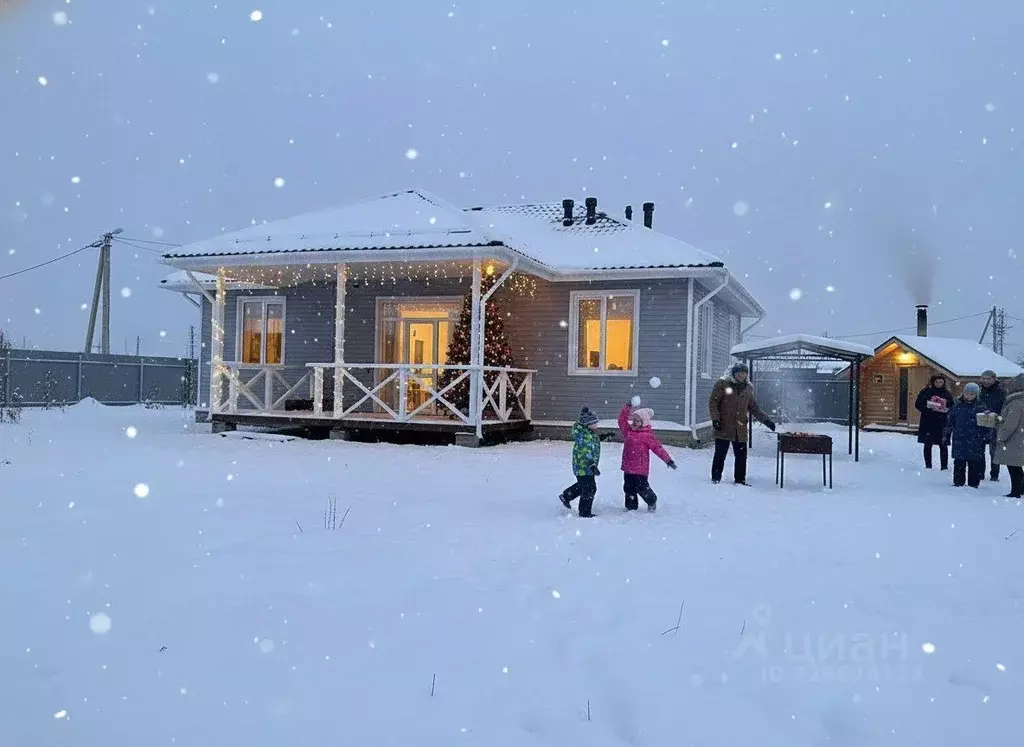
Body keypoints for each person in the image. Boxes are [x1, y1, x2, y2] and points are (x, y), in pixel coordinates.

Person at [708, 362, 776, 485]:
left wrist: (767, 421)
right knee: (720, 454)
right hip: (723, 426)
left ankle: (740, 480)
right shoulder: (722, 384)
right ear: (734, 373)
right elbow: (713, 402)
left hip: (740, 428)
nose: (741, 375)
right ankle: (716, 478)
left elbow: (754, 408)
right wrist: (716, 419)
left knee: (741, 456)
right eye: (739, 373)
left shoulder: (748, 388)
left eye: (744, 373)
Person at [617, 402, 677, 511]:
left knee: (642, 487)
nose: (634, 422)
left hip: (641, 469)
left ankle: (652, 500)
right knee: (628, 488)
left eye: (638, 421)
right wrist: (627, 407)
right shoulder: (628, 431)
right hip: (628, 467)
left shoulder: (647, 435)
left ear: (643, 422)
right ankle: (631, 508)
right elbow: (621, 420)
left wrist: (668, 460)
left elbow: (658, 448)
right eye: (634, 419)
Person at [943, 382, 988, 488]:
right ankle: (958, 482)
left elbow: (986, 424)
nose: (969, 396)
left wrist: (986, 435)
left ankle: (973, 484)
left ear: (976, 395)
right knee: (959, 461)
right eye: (967, 393)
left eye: (972, 394)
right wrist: (946, 435)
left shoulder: (981, 407)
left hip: (975, 439)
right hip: (959, 438)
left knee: (974, 463)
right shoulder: (957, 405)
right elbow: (950, 421)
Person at [559, 407, 602, 517]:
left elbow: (591, 442)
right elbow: (584, 452)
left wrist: (602, 437)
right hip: (584, 467)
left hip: (584, 467)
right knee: (590, 488)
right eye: (595, 423)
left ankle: (566, 496)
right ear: (588, 424)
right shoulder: (585, 437)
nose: (597, 425)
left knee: (584, 485)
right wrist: (592, 465)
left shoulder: (587, 433)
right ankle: (584, 512)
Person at [993, 373, 1024, 499]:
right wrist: (998, 418)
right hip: (1020, 438)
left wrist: (1001, 435)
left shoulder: (1016, 403)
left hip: (1014, 439)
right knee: (1016, 466)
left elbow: (1010, 424)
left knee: (1013, 466)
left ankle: (1016, 491)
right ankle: (1020, 489)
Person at [915, 373, 954, 470]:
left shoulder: (947, 393)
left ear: (944, 382)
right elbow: (918, 404)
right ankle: (928, 466)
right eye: (937, 382)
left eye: (941, 382)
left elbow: (951, 405)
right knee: (927, 444)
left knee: (943, 444)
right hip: (928, 421)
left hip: (942, 422)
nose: (939, 384)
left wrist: (944, 407)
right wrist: (928, 408)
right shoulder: (926, 391)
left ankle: (944, 467)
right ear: (933, 382)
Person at [978, 369, 1006, 481]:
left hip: (995, 424)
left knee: (993, 451)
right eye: (984, 378)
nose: (986, 381)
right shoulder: (979, 391)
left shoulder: (1001, 392)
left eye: (988, 379)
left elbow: (1005, 408)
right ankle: (980, 473)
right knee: (979, 450)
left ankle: (994, 474)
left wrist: (997, 416)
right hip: (981, 424)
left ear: (994, 379)